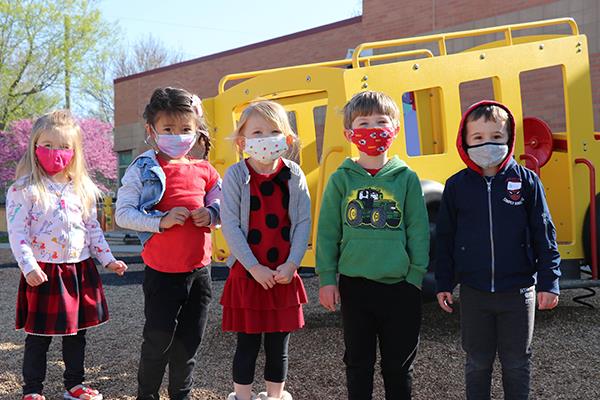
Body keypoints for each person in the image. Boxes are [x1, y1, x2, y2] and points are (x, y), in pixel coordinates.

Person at [434, 100, 561, 400]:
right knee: (477, 363)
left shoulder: (527, 182)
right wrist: (443, 282)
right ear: (465, 141)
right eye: (478, 138)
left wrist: (549, 281)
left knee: (517, 362)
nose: (487, 144)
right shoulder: (456, 186)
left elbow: (545, 234)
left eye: (496, 137)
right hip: (475, 292)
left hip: (518, 293)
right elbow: (446, 239)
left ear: (509, 139)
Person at [6, 110, 128, 400]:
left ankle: (75, 385)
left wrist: (108, 259)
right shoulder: (23, 189)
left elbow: (92, 230)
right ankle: (32, 390)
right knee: (39, 336)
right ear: (35, 146)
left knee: (77, 334)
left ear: (74, 152)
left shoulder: (82, 189)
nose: (54, 152)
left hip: (77, 270)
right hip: (44, 271)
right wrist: (28, 265)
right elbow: (17, 232)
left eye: (62, 146)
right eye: (47, 145)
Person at [316, 91, 430, 400]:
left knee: (399, 366)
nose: (373, 128)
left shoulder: (406, 178)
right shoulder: (341, 179)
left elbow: (418, 230)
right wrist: (327, 279)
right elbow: (327, 231)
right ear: (349, 133)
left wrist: (415, 277)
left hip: (401, 288)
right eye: (364, 122)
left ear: (394, 129)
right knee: (358, 363)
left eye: (381, 121)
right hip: (356, 286)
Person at [115, 87, 221, 400]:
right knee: (157, 342)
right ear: (152, 131)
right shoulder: (142, 167)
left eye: (185, 129)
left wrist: (212, 213)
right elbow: (123, 214)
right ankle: (146, 395)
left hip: (199, 274)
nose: (178, 136)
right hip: (161, 273)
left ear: (197, 130)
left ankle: (181, 394)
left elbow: (225, 202)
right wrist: (159, 221)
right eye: (168, 129)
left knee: (189, 343)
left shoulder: (206, 169)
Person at [220, 100, 310, 400]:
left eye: (274, 131)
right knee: (246, 344)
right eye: (257, 132)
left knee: (278, 345)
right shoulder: (235, 175)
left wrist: (292, 264)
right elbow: (230, 225)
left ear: (287, 138)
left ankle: (275, 395)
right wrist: (253, 267)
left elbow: (301, 222)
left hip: (283, 273)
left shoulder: (294, 174)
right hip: (249, 274)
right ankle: (242, 396)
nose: (265, 137)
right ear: (243, 141)